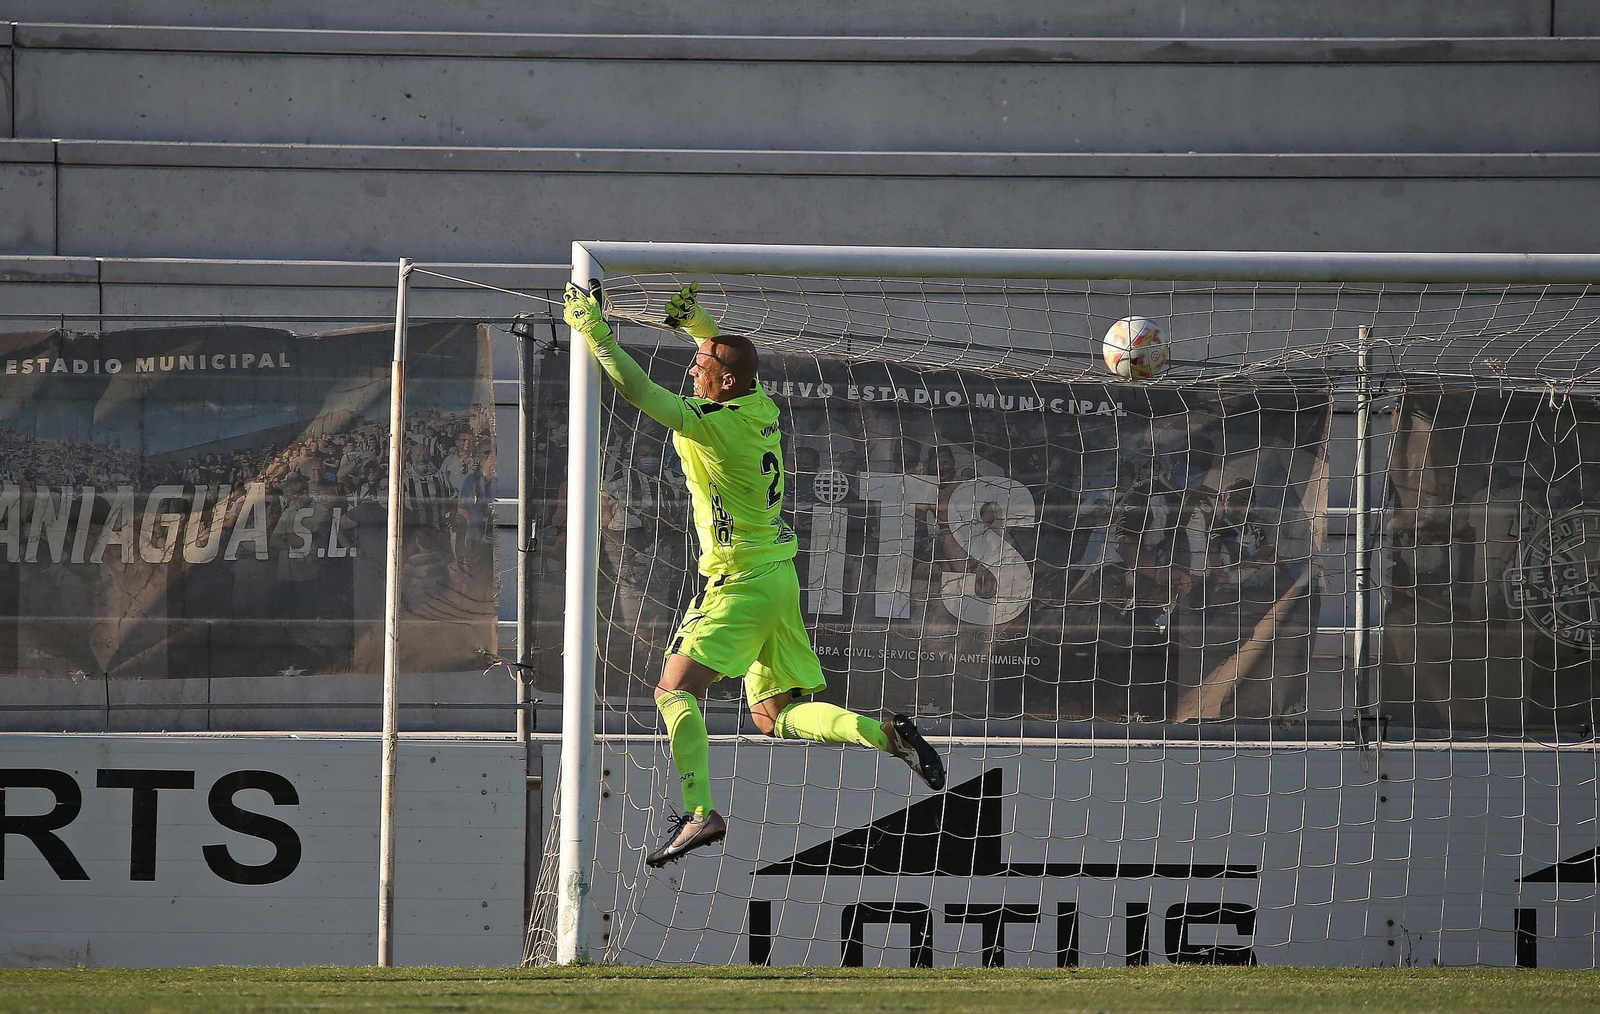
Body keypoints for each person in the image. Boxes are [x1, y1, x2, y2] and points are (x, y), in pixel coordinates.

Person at [564, 281, 946, 868]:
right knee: (773, 717)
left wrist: (595, 332)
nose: (692, 374)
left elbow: (637, 390)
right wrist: (700, 326)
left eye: (699, 369)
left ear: (725, 382)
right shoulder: (759, 405)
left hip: (741, 582)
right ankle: (884, 734)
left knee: (673, 691)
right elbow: (729, 359)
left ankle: (699, 812)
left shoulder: (715, 424)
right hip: (778, 578)